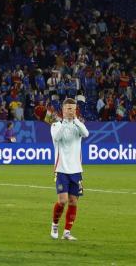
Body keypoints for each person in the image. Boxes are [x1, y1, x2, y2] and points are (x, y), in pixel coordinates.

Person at [50, 98, 89, 241]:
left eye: (72, 108)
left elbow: (86, 134)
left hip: (76, 170)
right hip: (61, 169)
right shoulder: (55, 125)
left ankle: (67, 232)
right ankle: (54, 224)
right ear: (63, 110)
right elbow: (57, 137)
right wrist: (66, 122)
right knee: (63, 200)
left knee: (73, 201)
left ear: (76, 109)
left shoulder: (78, 126)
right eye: (68, 108)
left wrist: (76, 120)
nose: (70, 111)